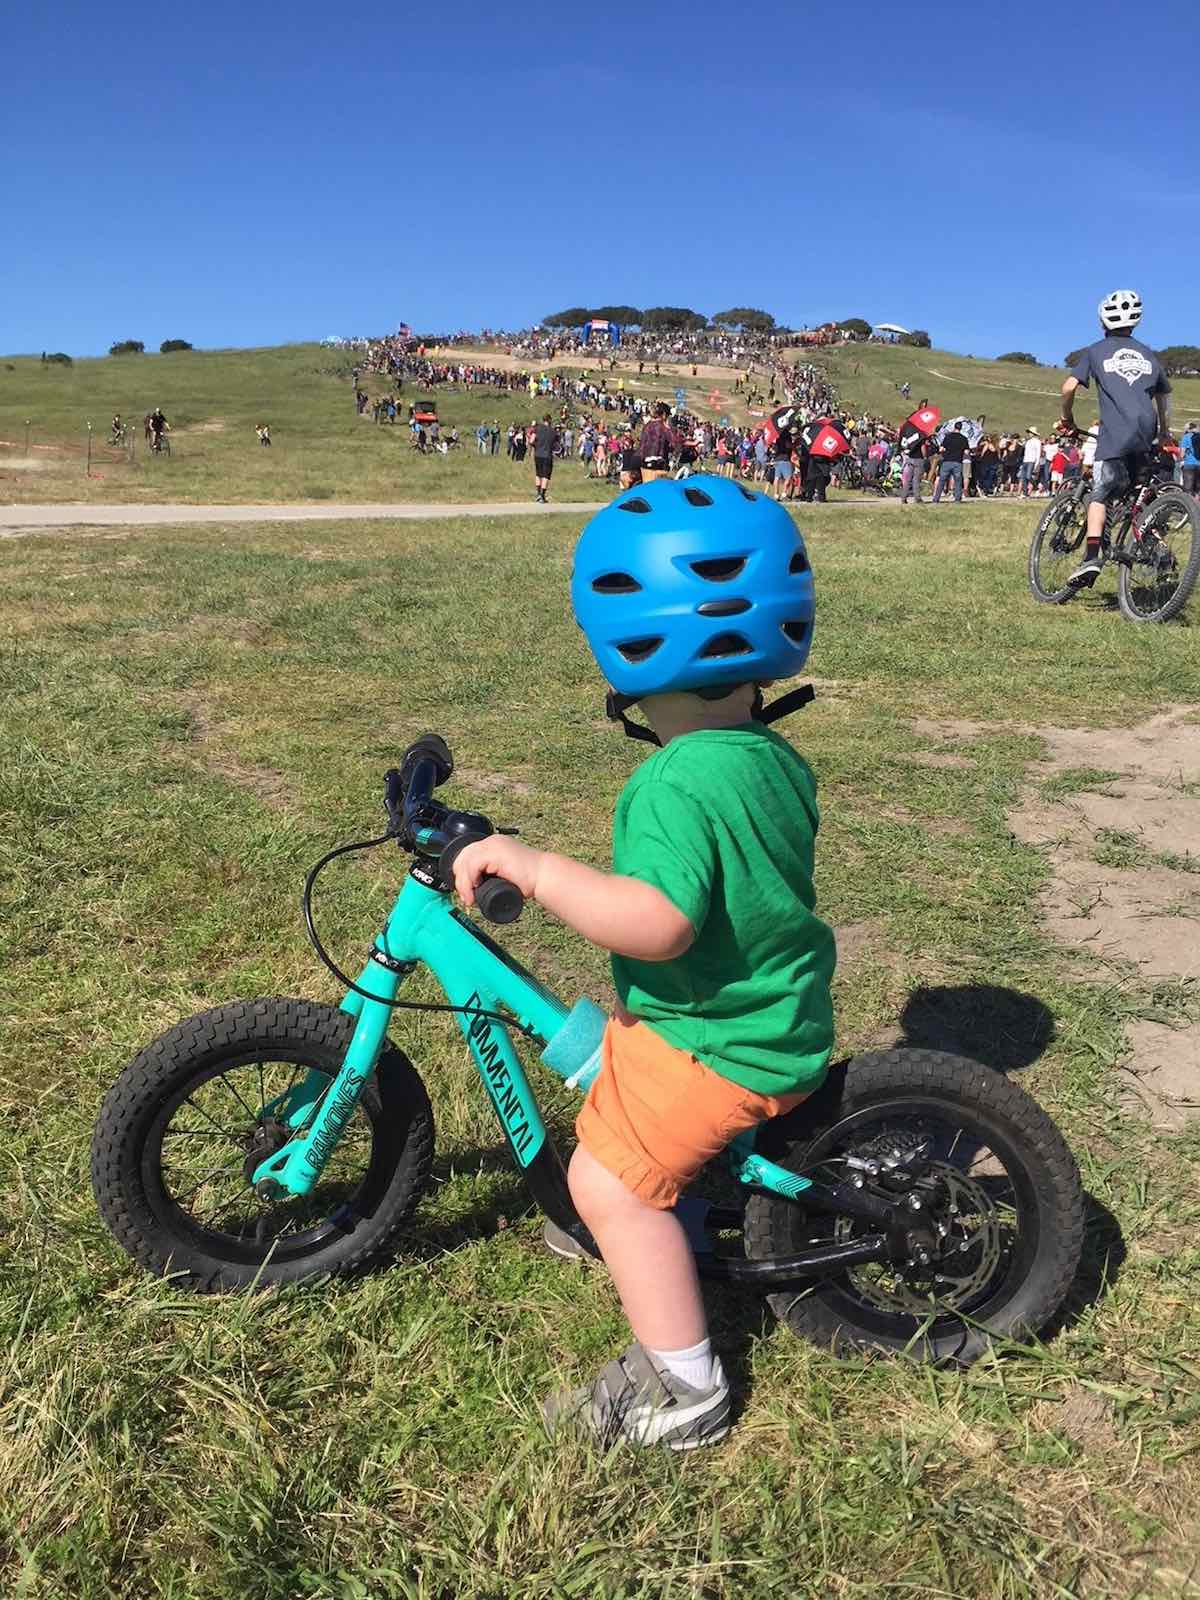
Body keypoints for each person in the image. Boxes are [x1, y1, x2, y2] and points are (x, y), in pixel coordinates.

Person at [449, 476, 834, 1449]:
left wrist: (538, 871)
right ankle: (693, 1216)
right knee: (609, 1064)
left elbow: (658, 925)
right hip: (773, 1008)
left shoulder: (672, 782)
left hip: (722, 1039)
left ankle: (686, 1389)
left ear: (625, 647)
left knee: (607, 1184)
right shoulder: (768, 756)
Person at [1059, 289, 1173, 587]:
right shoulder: (1149, 354)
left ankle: (1091, 558)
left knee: (1102, 493)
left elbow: (1068, 387)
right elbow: (1163, 399)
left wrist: (1067, 419)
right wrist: (1164, 432)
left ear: (1102, 322)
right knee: (1139, 499)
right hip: (1146, 431)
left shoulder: (1096, 350)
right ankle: (1163, 552)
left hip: (1116, 431)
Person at [932, 424, 968, 503]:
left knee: (942, 480)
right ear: (961, 428)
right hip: (957, 462)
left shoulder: (948, 437)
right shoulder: (964, 438)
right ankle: (957, 499)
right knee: (958, 481)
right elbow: (966, 451)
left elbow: (941, 449)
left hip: (947, 461)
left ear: (954, 427)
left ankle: (936, 499)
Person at [1180, 421, 1200, 497]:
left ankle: (1189, 507)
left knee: (1188, 490)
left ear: (1188, 429)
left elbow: (1182, 454)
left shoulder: (1186, 437)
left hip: (1189, 465)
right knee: (1198, 489)